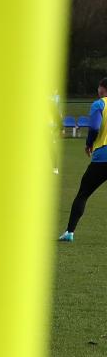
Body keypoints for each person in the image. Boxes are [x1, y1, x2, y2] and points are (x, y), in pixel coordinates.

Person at [59, 79, 107, 242]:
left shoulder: (99, 104)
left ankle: (69, 232)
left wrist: (88, 144)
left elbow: (94, 127)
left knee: (83, 194)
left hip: (102, 158)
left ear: (102, 89)